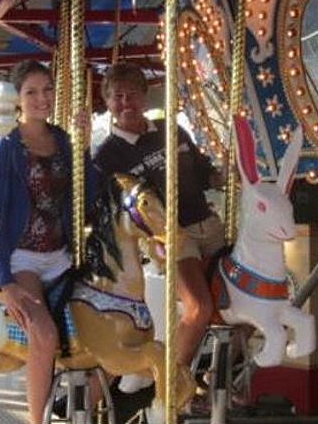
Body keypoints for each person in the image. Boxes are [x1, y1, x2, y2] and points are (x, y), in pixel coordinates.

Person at [93, 62, 226, 410]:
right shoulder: (108, 157)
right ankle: (172, 388)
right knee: (199, 307)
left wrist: (226, 173)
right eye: (117, 96)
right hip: (169, 237)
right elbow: (106, 210)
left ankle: (217, 378)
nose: (126, 102)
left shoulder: (173, 131)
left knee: (235, 306)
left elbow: (205, 172)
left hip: (207, 224)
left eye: (132, 94)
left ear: (145, 95)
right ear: (107, 102)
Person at [0, 60, 96, 424]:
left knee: (114, 321)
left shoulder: (62, 140)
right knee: (43, 333)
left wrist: (85, 149)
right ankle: (36, 419)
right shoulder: (6, 144)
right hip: (20, 258)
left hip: (60, 256)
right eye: (32, 92)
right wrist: (4, 279)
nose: (42, 98)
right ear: (18, 99)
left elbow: (87, 197)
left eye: (47, 90)